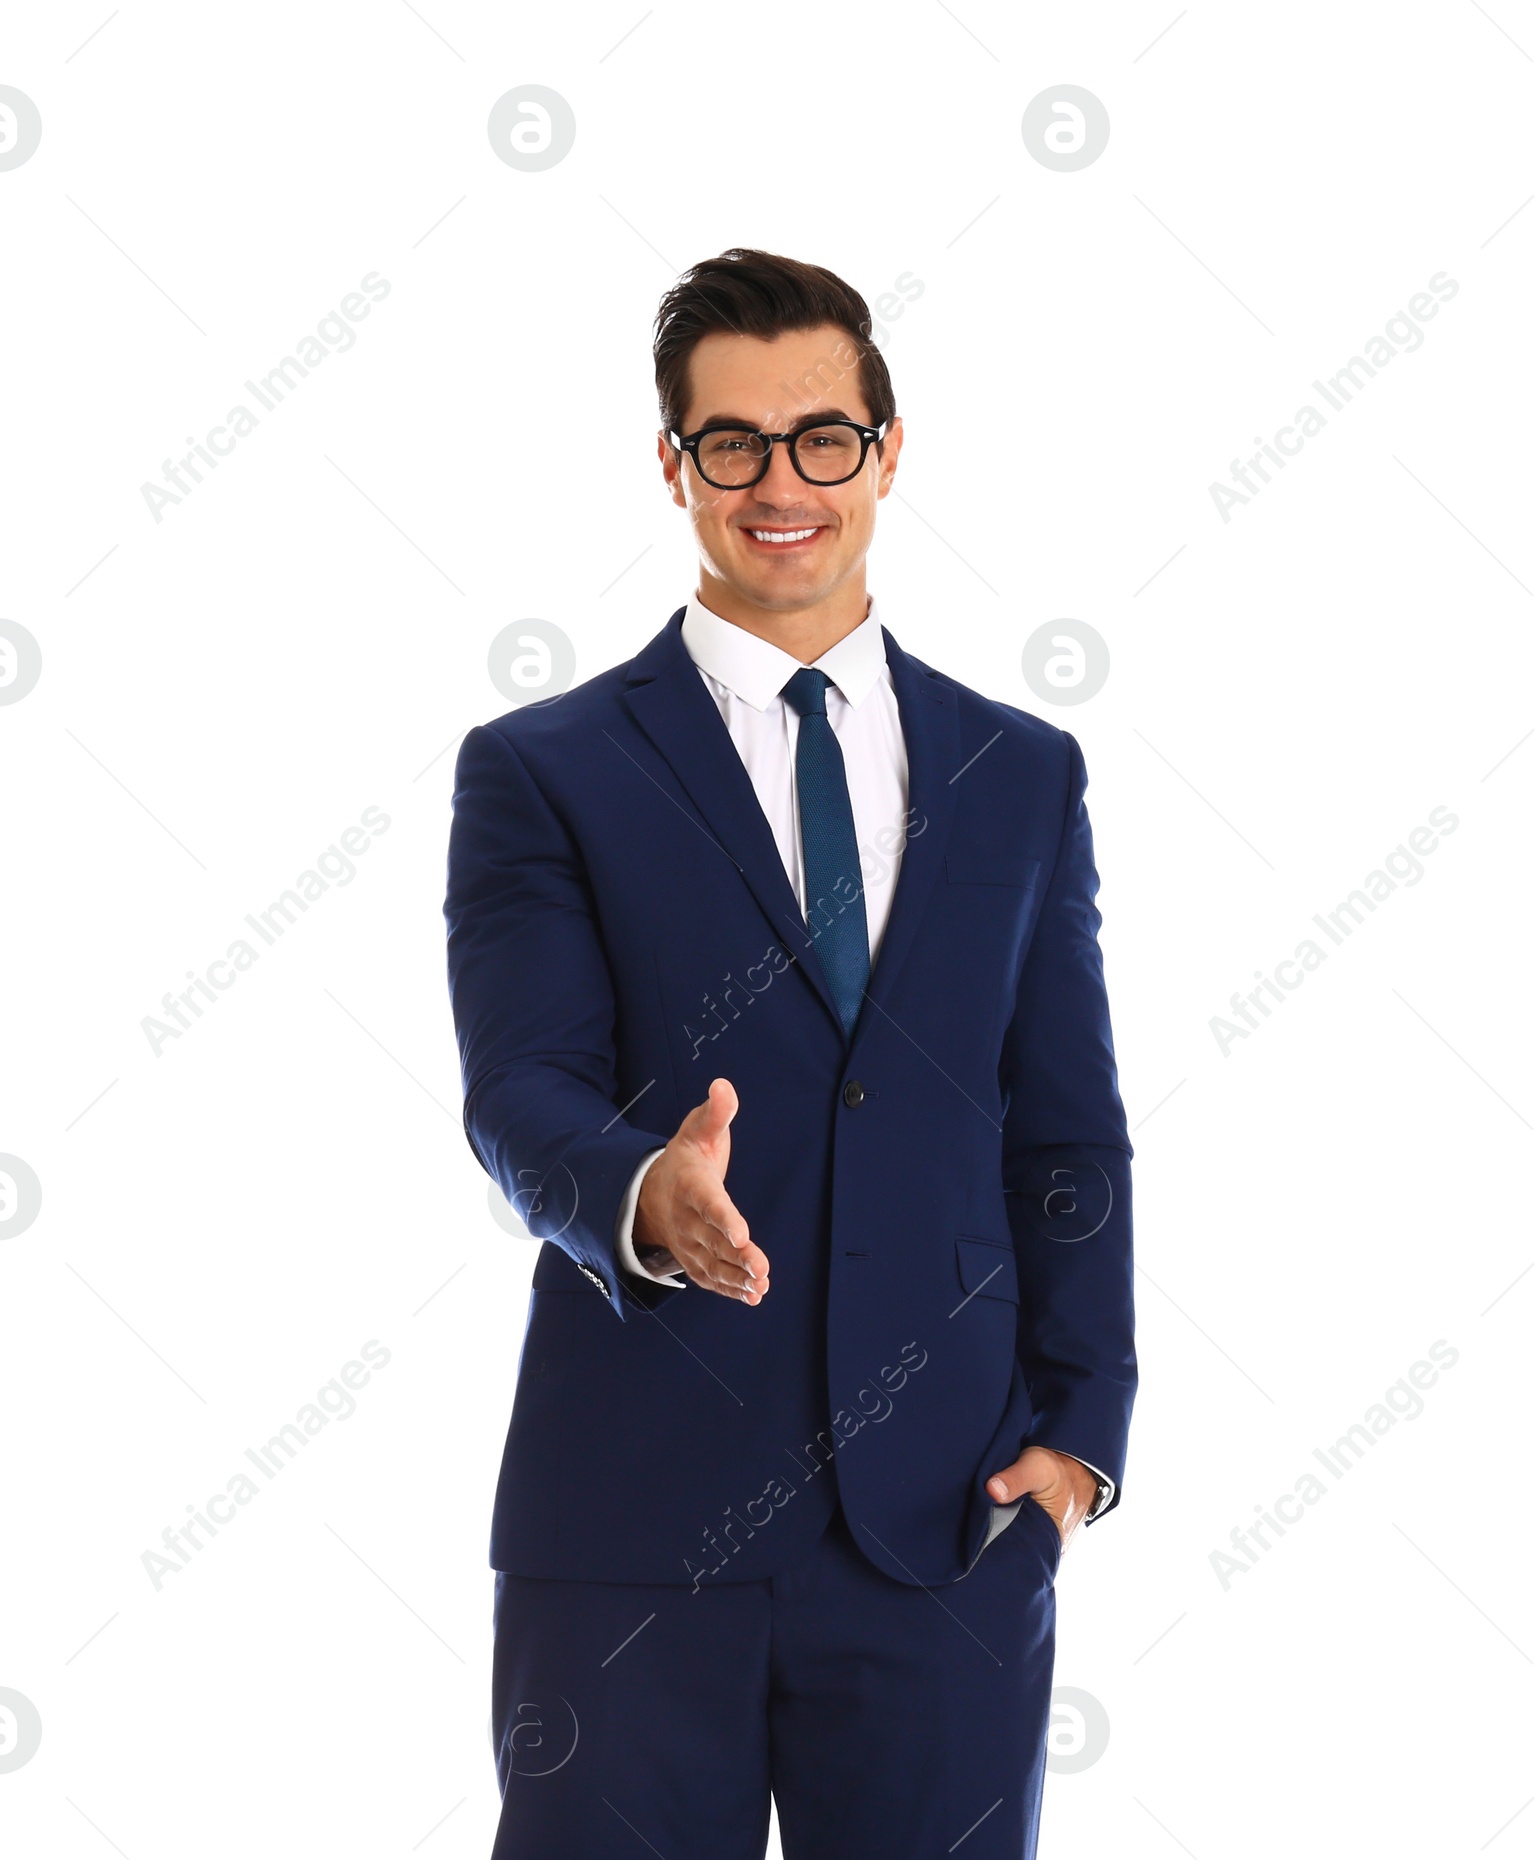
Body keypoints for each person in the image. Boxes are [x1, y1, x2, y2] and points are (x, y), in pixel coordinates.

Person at [443, 246, 1136, 1859]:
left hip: (952, 1527)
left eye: (821, 436)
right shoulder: (544, 771)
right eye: (732, 443)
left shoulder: (1022, 772)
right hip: (630, 1522)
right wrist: (638, 1196)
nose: (782, 483)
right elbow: (518, 1087)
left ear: (886, 452)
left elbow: (1068, 1134)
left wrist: (1082, 1437)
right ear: (673, 465)